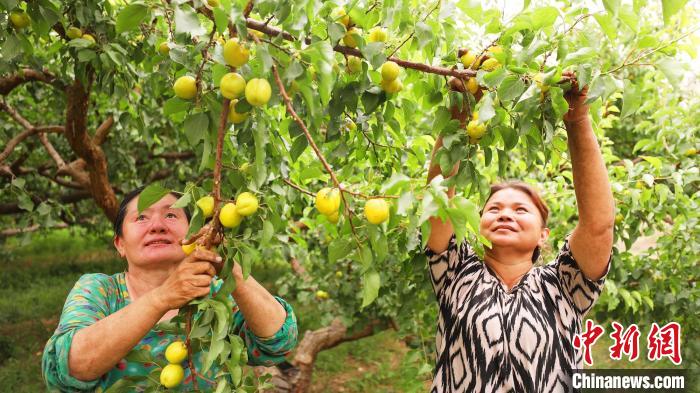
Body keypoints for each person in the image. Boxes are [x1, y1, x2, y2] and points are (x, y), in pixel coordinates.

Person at [425, 73, 614, 392]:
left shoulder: (564, 286)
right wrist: (459, 116)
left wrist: (577, 119)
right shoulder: (456, 273)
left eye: (521, 210)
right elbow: (438, 199)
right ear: (479, 223)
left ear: (544, 235)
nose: (506, 215)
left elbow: (598, 226)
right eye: (494, 209)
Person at [42, 186, 298, 391]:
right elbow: (69, 367)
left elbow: (278, 343)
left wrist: (227, 265)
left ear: (196, 233)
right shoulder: (100, 290)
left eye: (171, 215)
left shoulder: (215, 296)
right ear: (120, 244)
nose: (157, 225)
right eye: (141, 217)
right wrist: (163, 297)